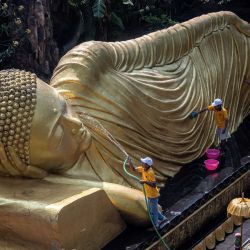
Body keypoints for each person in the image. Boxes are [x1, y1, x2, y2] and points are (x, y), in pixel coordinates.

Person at [128, 156, 167, 229]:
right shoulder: (143, 169)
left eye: (144, 163)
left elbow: (154, 184)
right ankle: (162, 218)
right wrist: (129, 161)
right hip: (149, 194)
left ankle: (156, 225)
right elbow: (133, 169)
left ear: (147, 165)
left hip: (153, 195)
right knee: (152, 209)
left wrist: (145, 181)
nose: (142, 163)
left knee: (153, 211)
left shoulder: (150, 172)